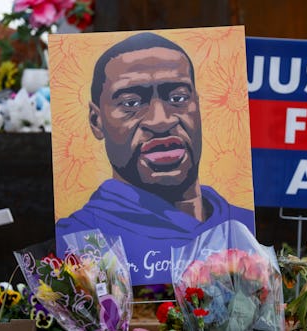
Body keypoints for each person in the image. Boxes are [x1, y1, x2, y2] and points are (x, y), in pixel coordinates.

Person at [55, 32, 255, 285]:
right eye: (131, 103)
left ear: (198, 106)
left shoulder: (244, 227)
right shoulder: (79, 238)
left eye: (178, 98)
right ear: (96, 121)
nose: (160, 120)